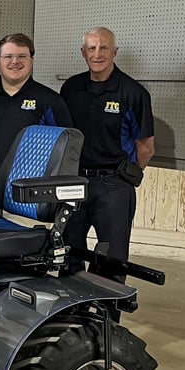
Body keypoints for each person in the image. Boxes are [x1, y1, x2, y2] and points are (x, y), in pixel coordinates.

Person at [62, 27, 154, 275]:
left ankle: (108, 314)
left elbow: (145, 148)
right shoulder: (71, 89)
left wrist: (124, 177)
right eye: (92, 48)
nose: (98, 53)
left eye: (104, 47)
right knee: (68, 254)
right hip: (74, 182)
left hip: (114, 186)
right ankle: (73, 313)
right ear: (83, 53)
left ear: (115, 51)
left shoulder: (133, 93)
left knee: (112, 262)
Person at [0, 33, 72, 170]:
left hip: (28, 185)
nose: (14, 62)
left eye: (21, 56)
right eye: (8, 56)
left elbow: (67, 147)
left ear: (31, 60)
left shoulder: (50, 101)